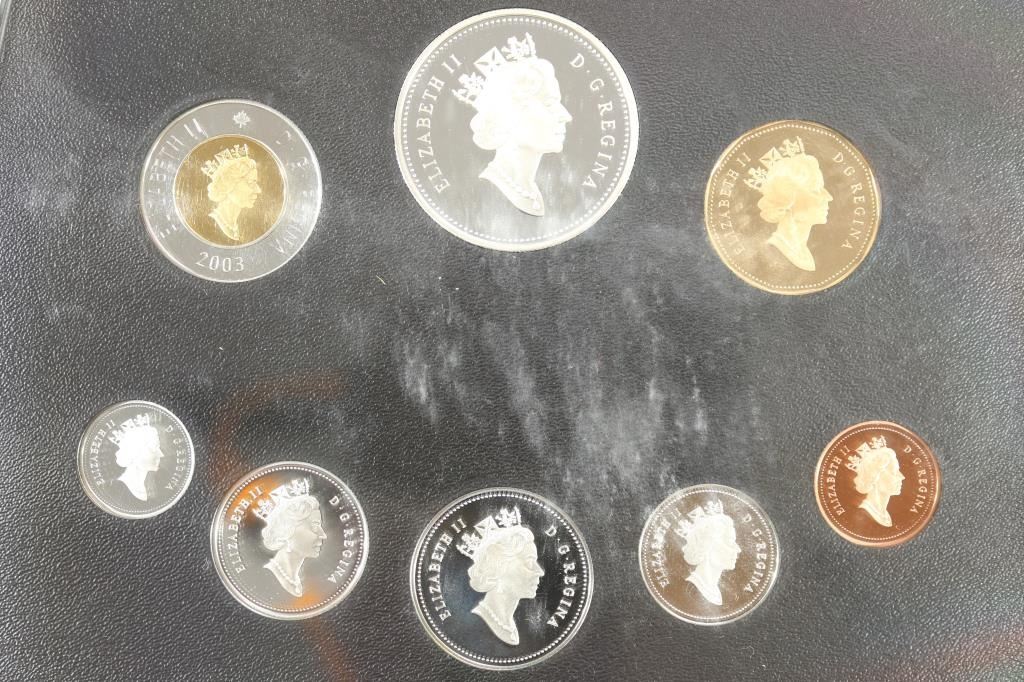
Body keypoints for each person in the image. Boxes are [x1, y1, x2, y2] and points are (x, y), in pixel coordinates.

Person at [459, 33, 572, 217]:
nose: (566, 116)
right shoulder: (479, 196)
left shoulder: (535, 190)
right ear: (510, 113)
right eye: (549, 103)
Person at [748, 141, 833, 271]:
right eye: (816, 190)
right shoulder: (773, 252)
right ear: (789, 199)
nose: (829, 197)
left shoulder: (803, 252)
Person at [463, 514, 544, 646]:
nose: (540, 572)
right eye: (529, 562)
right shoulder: (473, 628)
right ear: (499, 566)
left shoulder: (515, 624)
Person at [256, 479, 327, 597]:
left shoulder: (298, 580)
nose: (324, 535)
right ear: (286, 531)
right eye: (314, 527)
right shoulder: (263, 579)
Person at [674, 500, 741, 606]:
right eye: (730, 541)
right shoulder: (687, 591)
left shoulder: (720, 591)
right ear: (707, 545)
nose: (738, 549)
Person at [202, 144, 262, 241]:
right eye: (251, 183)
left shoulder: (237, 226)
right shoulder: (206, 227)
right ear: (228, 185)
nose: (258, 190)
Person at [846, 436, 905, 527]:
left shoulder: (885, 515)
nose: (902, 477)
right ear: (875, 476)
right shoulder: (863, 517)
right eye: (894, 472)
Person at [112, 416, 164, 502]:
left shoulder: (145, 488)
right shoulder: (116, 489)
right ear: (135, 452)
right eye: (153, 448)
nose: (161, 454)